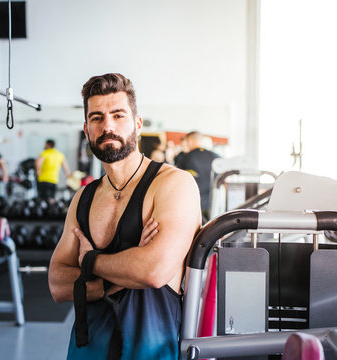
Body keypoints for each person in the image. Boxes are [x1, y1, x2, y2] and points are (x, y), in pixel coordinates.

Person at [48, 73, 201, 360]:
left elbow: (153, 271)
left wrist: (88, 262)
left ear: (138, 124)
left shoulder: (172, 184)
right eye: (96, 118)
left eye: (118, 115)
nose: (107, 126)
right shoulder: (84, 197)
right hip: (85, 351)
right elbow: (57, 283)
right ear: (86, 129)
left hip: (149, 350)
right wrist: (126, 272)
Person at [175, 131, 220, 219]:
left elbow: (178, 179)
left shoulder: (185, 157)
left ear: (190, 141)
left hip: (192, 202)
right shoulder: (216, 156)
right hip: (213, 202)